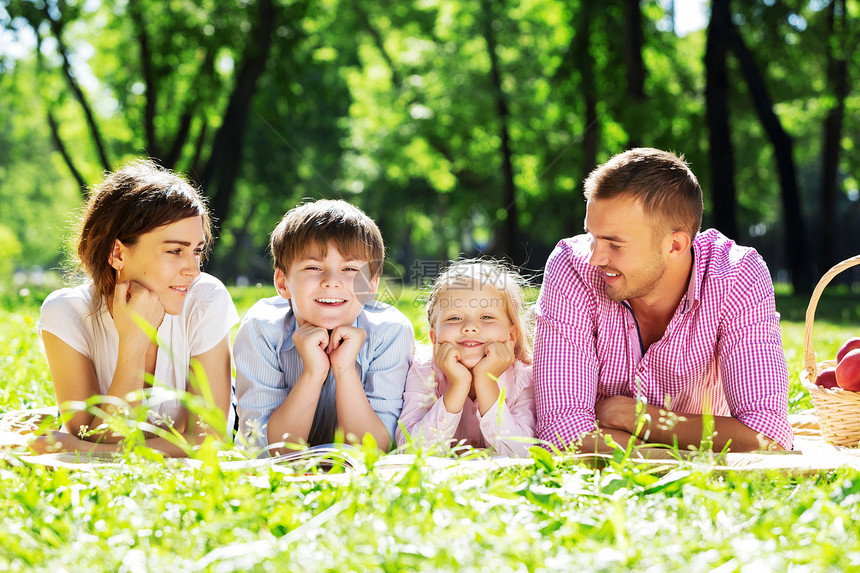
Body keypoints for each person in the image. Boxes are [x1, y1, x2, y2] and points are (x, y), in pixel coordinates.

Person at [534, 147, 793, 453]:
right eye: (592, 236)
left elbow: (768, 436)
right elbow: (561, 431)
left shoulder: (737, 277)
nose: (594, 258)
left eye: (615, 245)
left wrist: (636, 418)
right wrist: (676, 458)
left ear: (675, 245)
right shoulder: (571, 266)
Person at [36, 159, 239, 456]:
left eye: (196, 251)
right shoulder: (66, 313)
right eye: (175, 250)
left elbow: (207, 440)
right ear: (118, 252)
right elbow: (92, 436)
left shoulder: (205, 300)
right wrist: (132, 344)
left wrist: (86, 450)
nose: (193, 270)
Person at [234, 199, 414, 455]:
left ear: (372, 285)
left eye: (350, 269)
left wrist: (345, 369)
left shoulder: (390, 332)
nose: (332, 282)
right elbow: (267, 451)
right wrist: (313, 373)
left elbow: (372, 451)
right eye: (314, 267)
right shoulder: (261, 328)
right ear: (282, 282)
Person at [396, 260, 536, 457]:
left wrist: (487, 382)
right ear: (434, 338)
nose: (470, 327)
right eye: (454, 318)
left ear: (511, 336)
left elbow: (523, 454)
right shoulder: (423, 371)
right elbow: (410, 452)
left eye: (487, 317)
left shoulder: (523, 378)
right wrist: (457, 386)